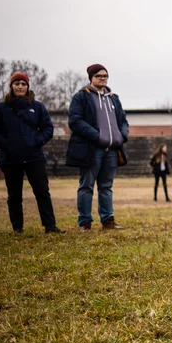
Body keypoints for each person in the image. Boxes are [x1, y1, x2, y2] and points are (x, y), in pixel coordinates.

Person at [0, 72, 65, 234]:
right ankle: (17, 227)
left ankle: (50, 226)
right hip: (10, 158)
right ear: (11, 86)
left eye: (23, 84)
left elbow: (48, 128)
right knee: (14, 195)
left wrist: (36, 141)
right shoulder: (1, 108)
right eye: (17, 83)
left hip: (34, 156)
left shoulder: (38, 106)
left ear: (28, 86)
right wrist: (7, 145)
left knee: (42, 191)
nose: (20, 86)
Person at [67, 64, 129, 232]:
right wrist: (96, 136)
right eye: (99, 75)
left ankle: (108, 220)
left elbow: (123, 121)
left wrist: (122, 136)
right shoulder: (81, 97)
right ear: (91, 78)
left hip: (112, 151)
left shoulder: (113, 98)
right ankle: (85, 222)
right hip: (91, 149)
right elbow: (75, 121)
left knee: (106, 187)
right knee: (86, 186)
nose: (103, 78)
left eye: (105, 75)